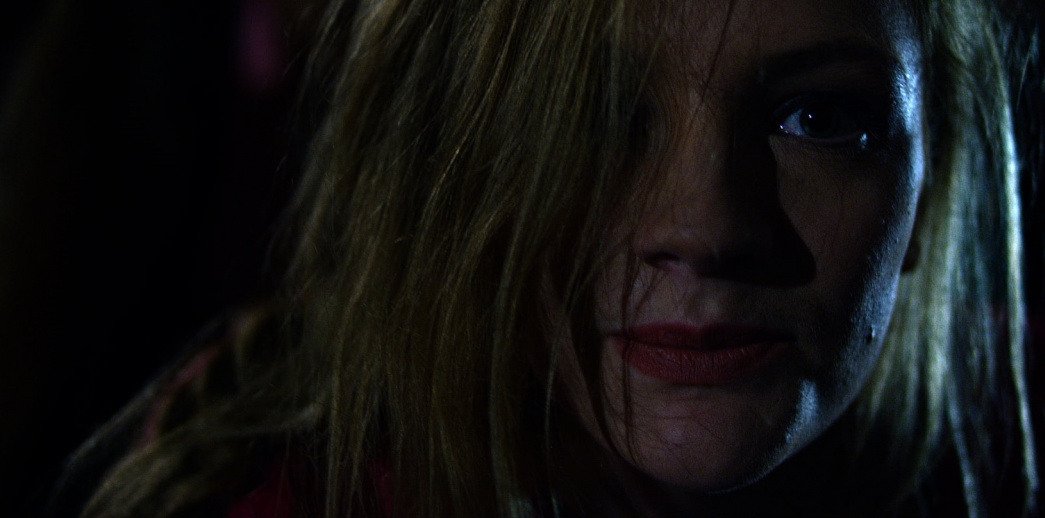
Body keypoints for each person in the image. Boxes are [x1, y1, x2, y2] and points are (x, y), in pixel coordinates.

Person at [62, 0, 1038, 515]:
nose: (705, 226)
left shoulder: (1004, 442)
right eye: (590, 113)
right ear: (450, 160)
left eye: (818, 117)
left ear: (934, 178)